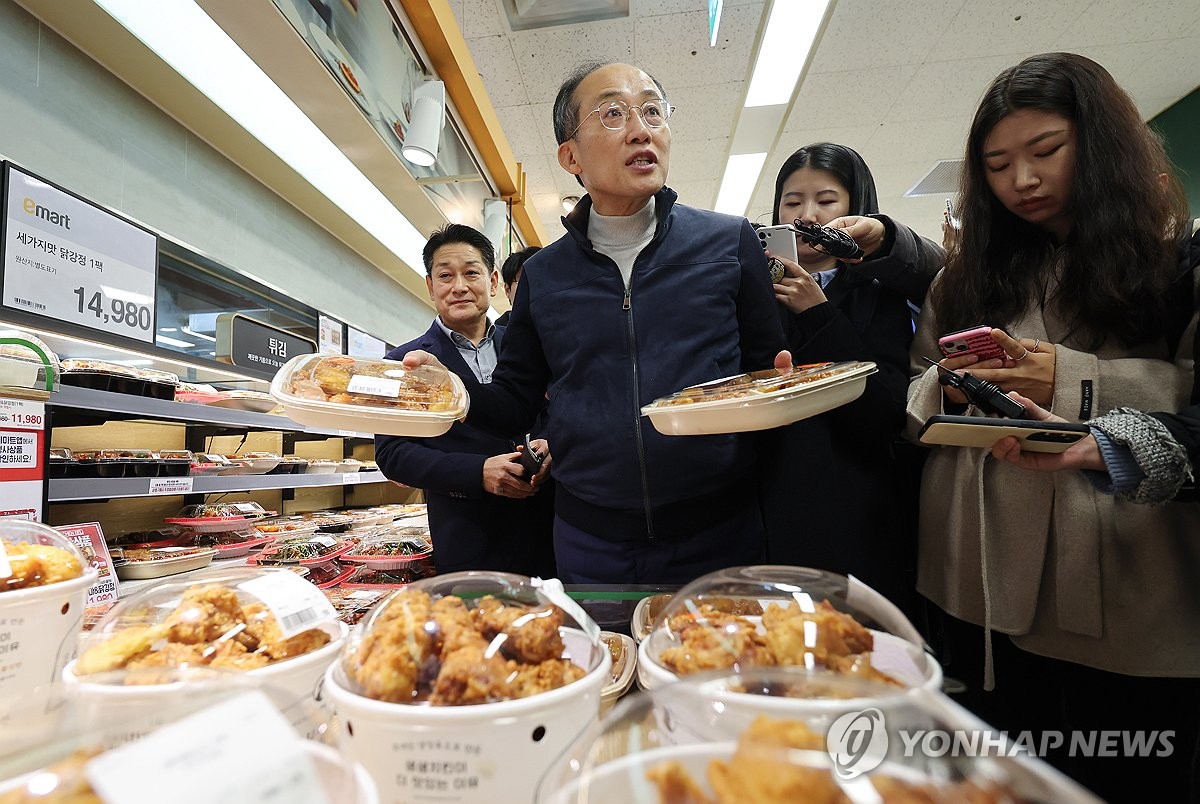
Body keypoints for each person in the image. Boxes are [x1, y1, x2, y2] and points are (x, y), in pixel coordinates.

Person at [905, 53, 1200, 799]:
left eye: (1045, 152)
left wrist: (1067, 380)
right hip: (975, 582)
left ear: (1099, 143)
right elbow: (918, 387)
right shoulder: (964, 275)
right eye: (998, 164)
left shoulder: (1170, 263)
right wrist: (952, 392)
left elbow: (1194, 410)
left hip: (1122, 579)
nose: (1022, 181)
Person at [401, 61, 790, 584]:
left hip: (720, 530)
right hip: (592, 542)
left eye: (653, 111)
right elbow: (517, 397)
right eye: (613, 114)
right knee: (604, 662)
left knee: (717, 664)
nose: (640, 128)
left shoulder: (727, 242)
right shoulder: (544, 274)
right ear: (571, 156)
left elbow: (765, 368)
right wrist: (453, 392)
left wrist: (777, 385)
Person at [758, 143, 943, 611]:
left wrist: (818, 315)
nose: (808, 215)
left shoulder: (880, 294)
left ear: (855, 209)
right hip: (770, 502)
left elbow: (884, 409)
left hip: (860, 505)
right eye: (793, 202)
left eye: (826, 200)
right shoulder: (751, 296)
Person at [374, 224, 555, 577]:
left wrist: (554, 444)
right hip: (467, 534)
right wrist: (476, 472)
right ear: (430, 286)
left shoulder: (533, 347)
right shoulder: (403, 363)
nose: (459, 286)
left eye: (471, 272)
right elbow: (392, 453)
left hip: (547, 526)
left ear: (491, 281)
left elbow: (561, 412)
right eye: (445, 275)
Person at [495, 246, 540, 327]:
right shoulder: (495, 338)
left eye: (539, 281)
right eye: (523, 282)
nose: (532, 288)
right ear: (507, 290)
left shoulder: (565, 328)